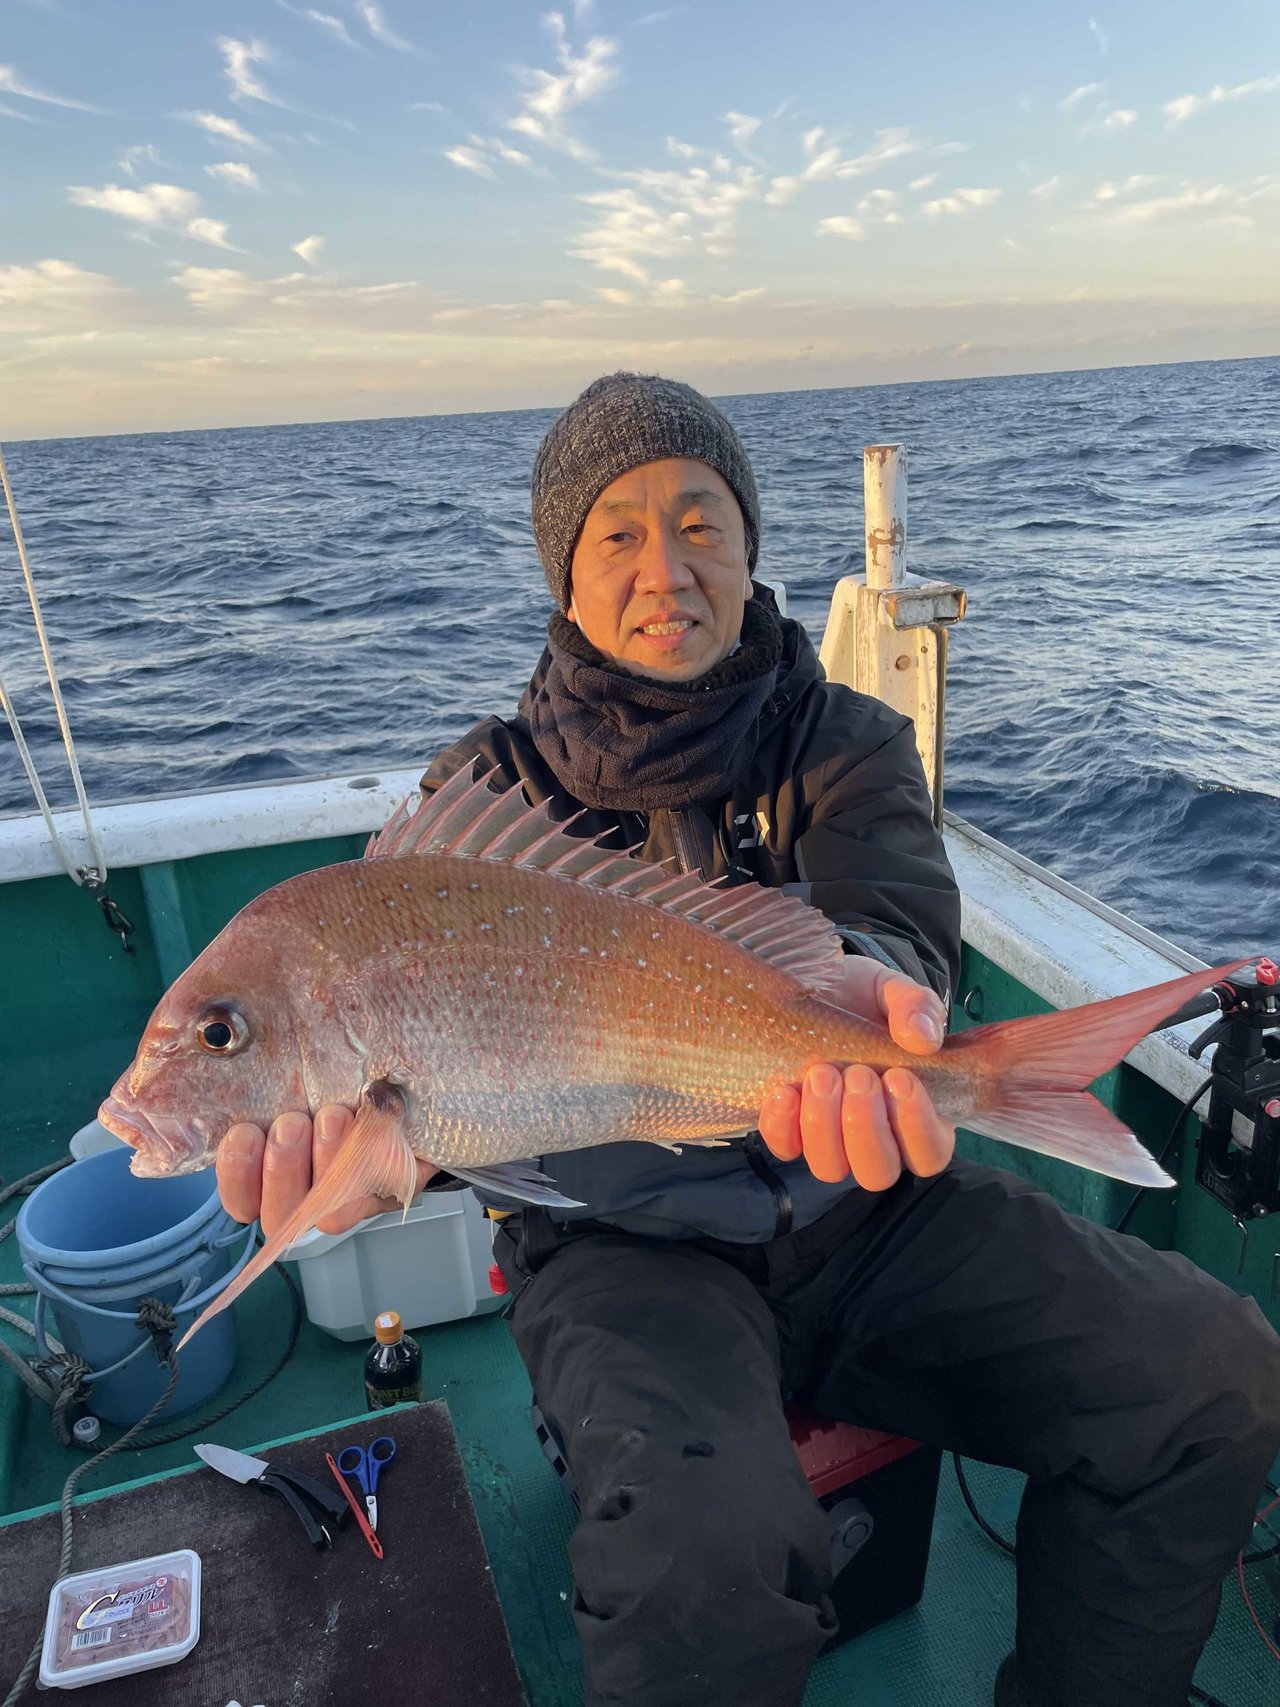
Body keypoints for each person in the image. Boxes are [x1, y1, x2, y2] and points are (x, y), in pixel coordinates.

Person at [216, 373, 1280, 1707]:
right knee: (699, 1565)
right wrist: (363, 1170)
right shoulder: (478, 803)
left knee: (1210, 1374)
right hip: (619, 1252)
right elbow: (432, 1115)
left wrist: (882, 1002)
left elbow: (896, 927)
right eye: (617, 533)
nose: (665, 569)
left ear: (749, 543)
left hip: (869, 1205)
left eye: (700, 522)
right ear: (565, 575)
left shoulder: (848, 743)